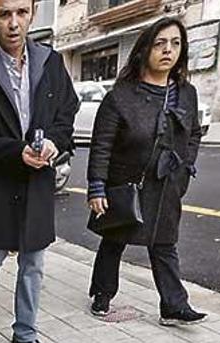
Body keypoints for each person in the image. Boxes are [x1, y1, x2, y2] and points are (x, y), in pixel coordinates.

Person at [0, 0, 78, 343]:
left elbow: (66, 113)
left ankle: (25, 333)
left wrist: (55, 142)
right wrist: (14, 151)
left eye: (21, 13)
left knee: (33, 264)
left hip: (36, 181)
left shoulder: (51, 63)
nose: (13, 23)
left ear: (32, 13)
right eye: (4, 14)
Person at [86, 17, 206, 326]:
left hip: (166, 182)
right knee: (115, 239)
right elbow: (101, 144)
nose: (168, 50)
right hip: (127, 180)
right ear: (144, 50)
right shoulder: (121, 97)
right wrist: (97, 186)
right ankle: (102, 294)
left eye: (176, 44)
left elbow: (193, 132)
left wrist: (186, 165)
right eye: (160, 43)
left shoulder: (186, 93)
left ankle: (174, 306)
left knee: (164, 242)